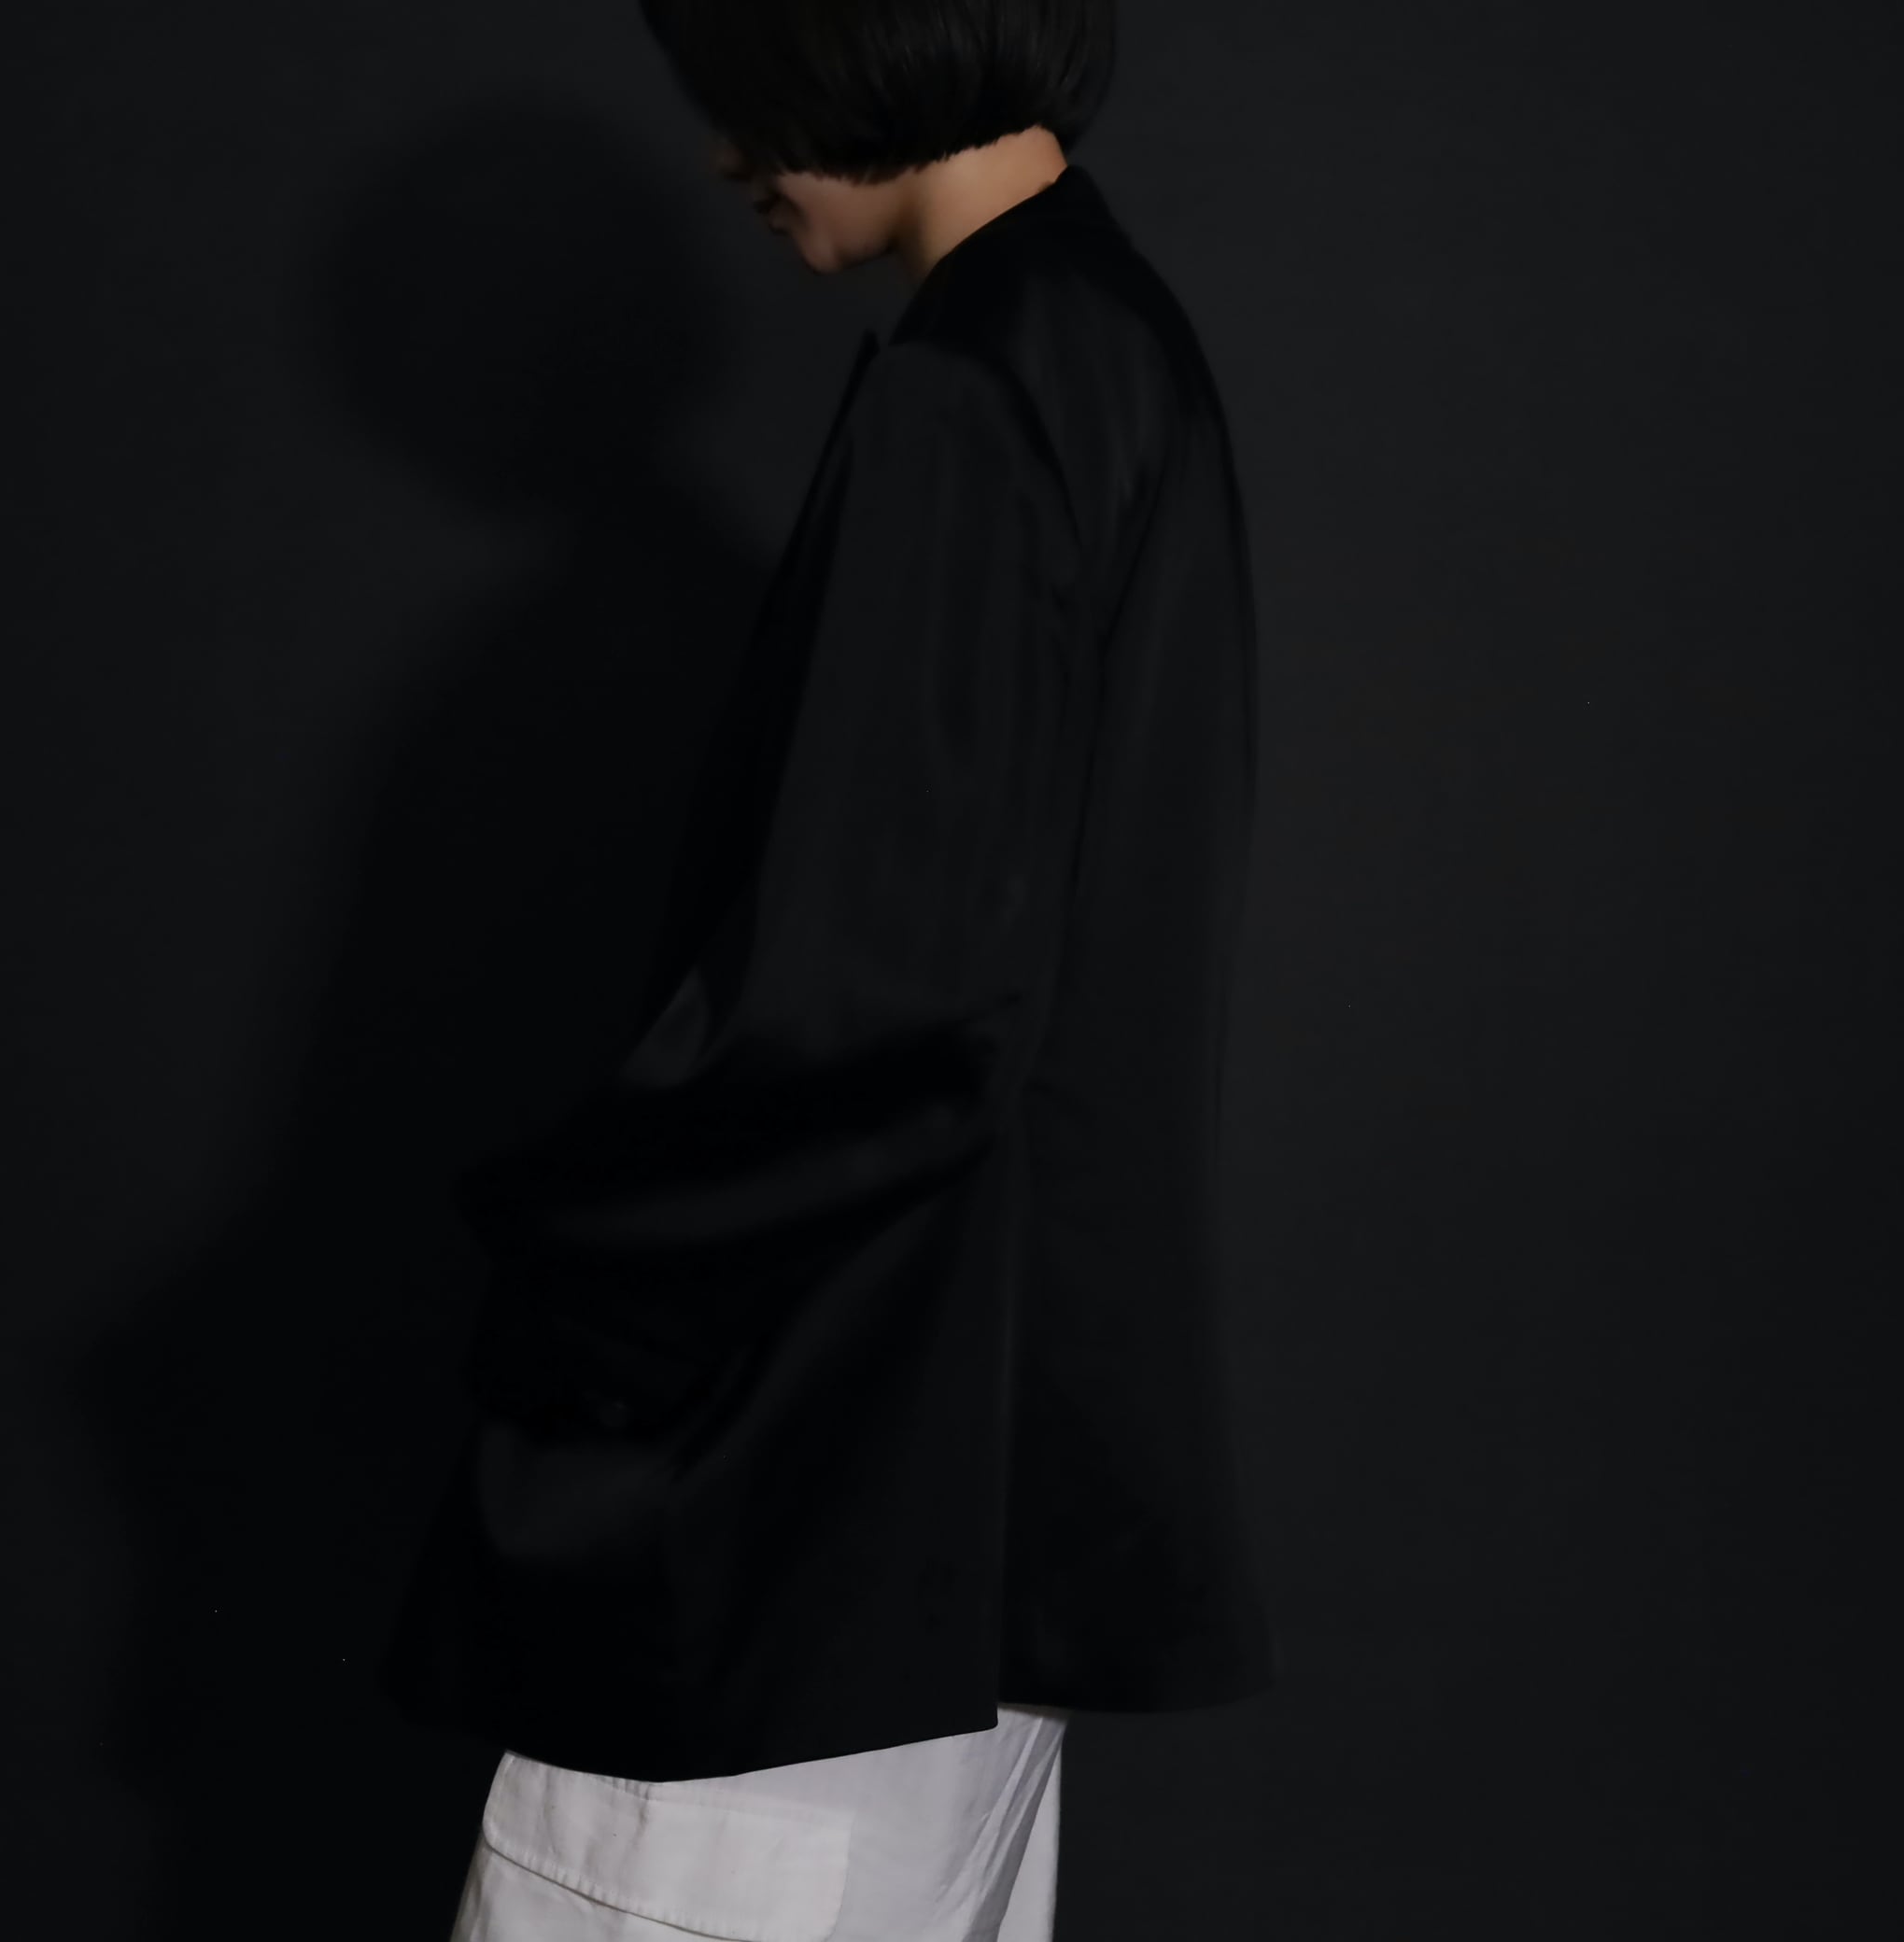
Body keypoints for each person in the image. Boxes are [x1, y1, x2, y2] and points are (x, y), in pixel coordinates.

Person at [377, 2, 1275, 1935]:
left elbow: (876, 1008)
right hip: (967, 1503)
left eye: (739, 94)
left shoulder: (981, 385)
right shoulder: (1116, 344)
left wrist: (561, 1282)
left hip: (804, 1500)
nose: (728, 158)